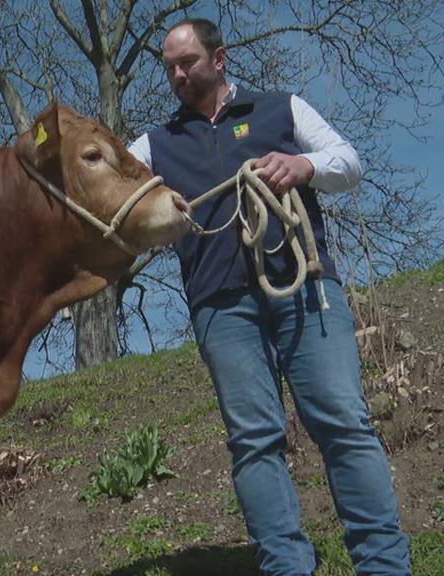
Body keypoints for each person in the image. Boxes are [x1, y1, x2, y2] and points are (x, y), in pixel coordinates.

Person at [127, 17, 411, 576]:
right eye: (169, 68)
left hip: (305, 286)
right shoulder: (154, 146)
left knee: (343, 422)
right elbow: (109, 185)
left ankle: (383, 564)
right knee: (254, 440)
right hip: (219, 304)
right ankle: (286, 566)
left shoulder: (281, 108)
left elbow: (347, 162)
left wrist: (303, 165)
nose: (178, 75)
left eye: (187, 62)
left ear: (219, 58)